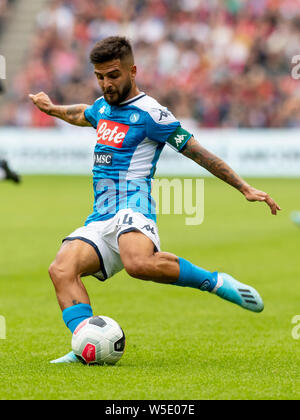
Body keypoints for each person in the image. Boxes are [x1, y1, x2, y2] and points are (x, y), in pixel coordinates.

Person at [29, 36, 281, 364]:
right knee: (61, 269)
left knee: (138, 264)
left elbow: (196, 151)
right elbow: (84, 113)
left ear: (132, 71)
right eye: (100, 76)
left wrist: (244, 187)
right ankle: (84, 344)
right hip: (100, 215)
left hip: (134, 206)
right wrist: (52, 109)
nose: (106, 83)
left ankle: (216, 282)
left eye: (113, 75)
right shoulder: (103, 106)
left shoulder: (152, 114)